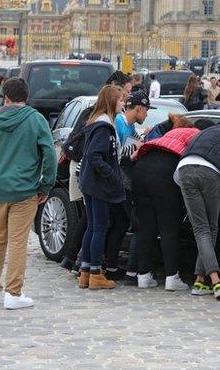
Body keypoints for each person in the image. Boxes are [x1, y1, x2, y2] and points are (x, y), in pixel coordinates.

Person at [0, 77, 57, 309]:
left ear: (5, 96)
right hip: (24, 189)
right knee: (17, 241)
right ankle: (13, 293)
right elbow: (50, 156)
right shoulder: (36, 120)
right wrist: (45, 186)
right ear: (27, 97)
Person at [176, 119, 220, 299]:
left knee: (201, 228)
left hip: (184, 169)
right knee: (210, 228)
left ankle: (200, 280)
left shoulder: (205, 133)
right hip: (209, 172)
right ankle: (216, 281)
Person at [132, 116, 200, 291]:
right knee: (168, 226)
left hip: (141, 170)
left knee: (146, 227)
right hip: (164, 175)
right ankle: (172, 277)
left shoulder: (168, 135)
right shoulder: (196, 133)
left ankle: (144, 276)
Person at [77, 85, 126, 290]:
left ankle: (86, 272)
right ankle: (96, 272)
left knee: (93, 227)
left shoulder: (99, 123)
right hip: (98, 185)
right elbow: (95, 156)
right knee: (99, 227)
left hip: (91, 183)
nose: (124, 103)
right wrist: (112, 175)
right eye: (121, 100)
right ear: (112, 102)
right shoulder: (104, 127)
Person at [104, 91, 154, 282]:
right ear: (139, 108)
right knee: (136, 224)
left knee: (120, 224)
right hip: (121, 182)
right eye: (147, 111)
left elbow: (134, 143)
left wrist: (143, 137)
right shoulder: (119, 122)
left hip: (121, 182)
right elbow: (123, 151)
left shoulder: (130, 126)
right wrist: (138, 144)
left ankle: (111, 265)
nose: (147, 115)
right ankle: (131, 272)